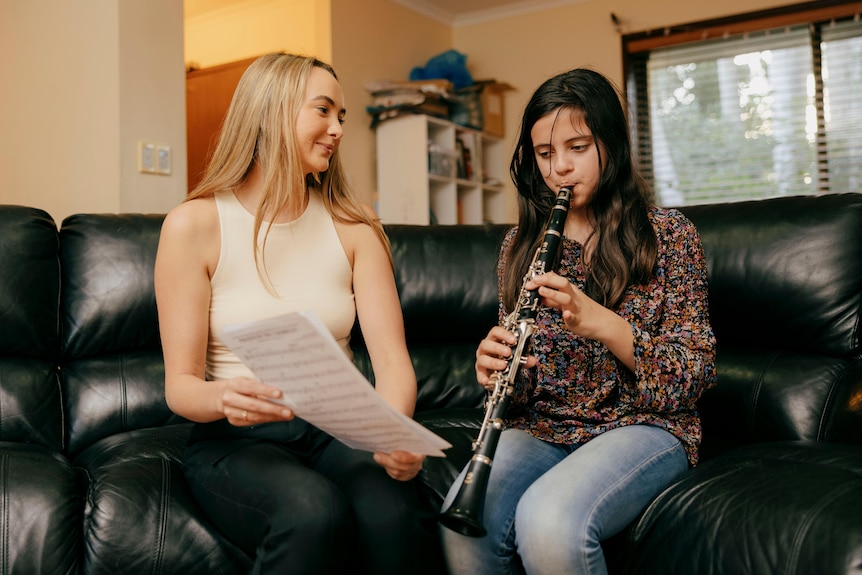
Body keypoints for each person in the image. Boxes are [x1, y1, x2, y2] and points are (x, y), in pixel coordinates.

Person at [154, 52, 442, 575]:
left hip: (339, 429)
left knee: (393, 509)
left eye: (342, 117)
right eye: (323, 111)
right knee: (313, 512)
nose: (337, 129)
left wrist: (392, 433)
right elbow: (181, 387)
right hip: (235, 440)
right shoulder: (193, 226)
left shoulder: (356, 227)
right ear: (271, 114)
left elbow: (393, 362)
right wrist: (223, 395)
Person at [439, 68, 717, 575]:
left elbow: (693, 374)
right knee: (463, 521)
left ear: (609, 144)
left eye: (577, 147)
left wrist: (602, 322)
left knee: (550, 521)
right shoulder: (520, 246)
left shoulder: (670, 236)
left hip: (646, 424)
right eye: (545, 154)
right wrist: (497, 369)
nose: (559, 169)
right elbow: (520, 393)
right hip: (545, 425)